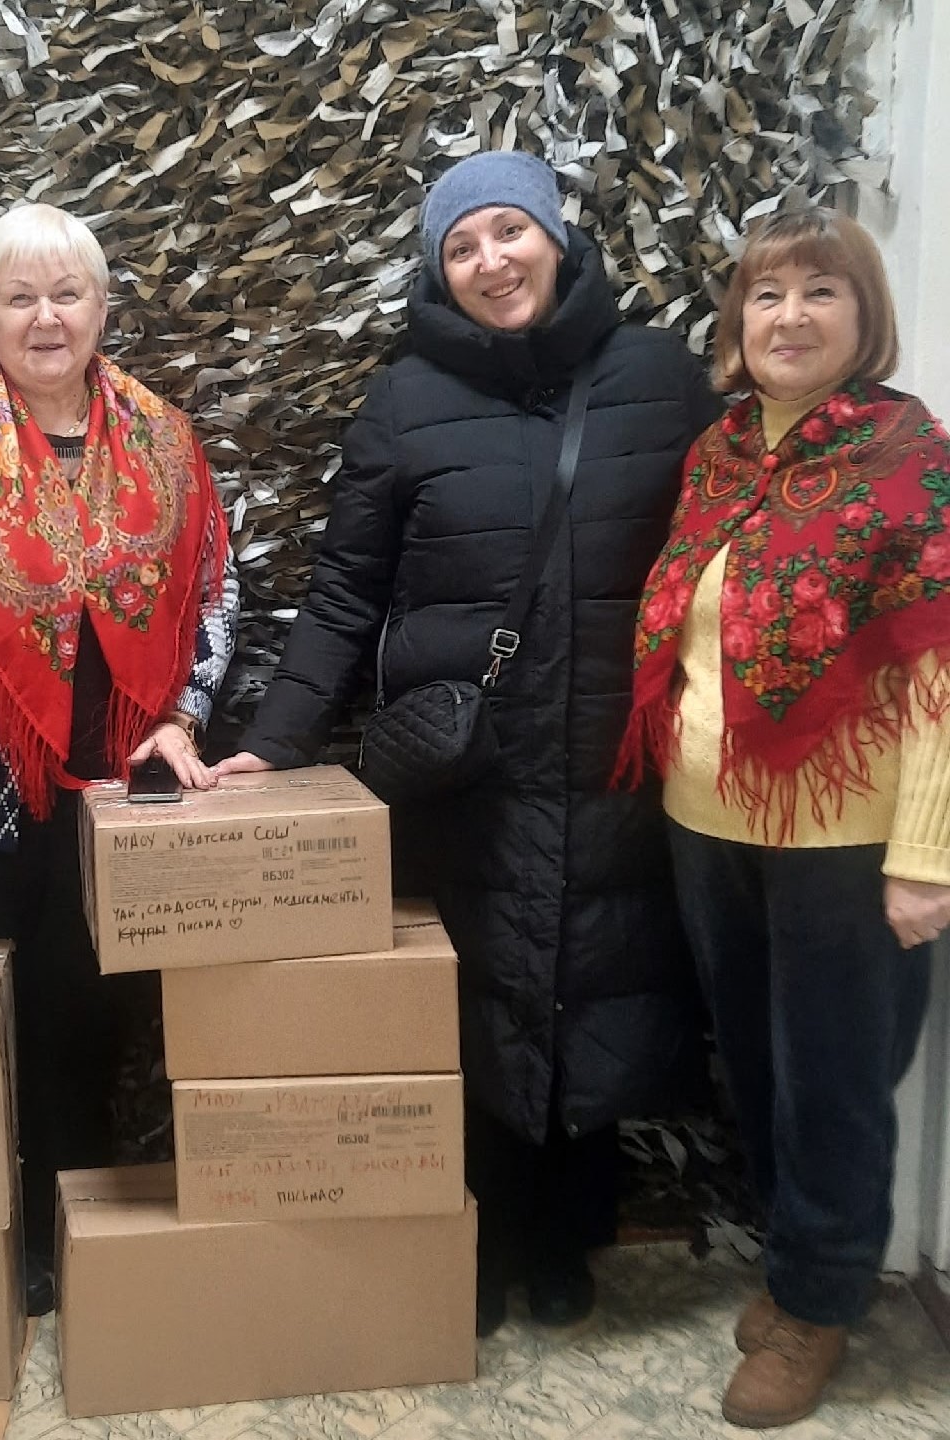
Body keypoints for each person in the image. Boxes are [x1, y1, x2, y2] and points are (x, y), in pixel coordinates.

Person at [216, 151, 721, 1335]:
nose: (491, 261)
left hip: (618, 762)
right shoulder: (406, 399)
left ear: (556, 237)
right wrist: (277, 742)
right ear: (438, 273)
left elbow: (726, 553)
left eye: (508, 231)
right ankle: (479, 1240)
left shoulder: (660, 378)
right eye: (461, 247)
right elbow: (347, 590)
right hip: (469, 771)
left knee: (601, 984)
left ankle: (572, 1234)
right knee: (475, 1000)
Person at [0, 202, 238, 1310]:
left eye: (68, 294)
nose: (47, 317)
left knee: (87, 1012)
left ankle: (75, 1231)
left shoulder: (161, 437)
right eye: (20, 298)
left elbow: (216, 589)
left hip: (114, 788)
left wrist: (186, 715)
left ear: (103, 307)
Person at [617, 206, 950, 1428]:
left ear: (866, 315)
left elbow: (940, 665)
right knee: (755, 1065)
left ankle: (821, 1302)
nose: (791, 317)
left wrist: (926, 856)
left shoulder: (910, 458)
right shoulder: (720, 455)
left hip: (847, 839)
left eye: (822, 291)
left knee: (836, 1083)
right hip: (708, 819)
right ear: (737, 322)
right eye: (767, 295)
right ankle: (798, 1264)